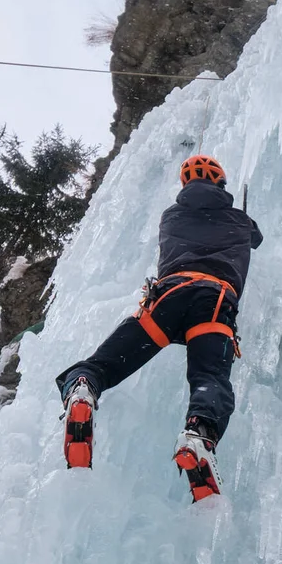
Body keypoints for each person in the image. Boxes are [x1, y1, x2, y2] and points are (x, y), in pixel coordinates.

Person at [56, 154, 263, 501]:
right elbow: (255, 239)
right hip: (212, 305)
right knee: (210, 379)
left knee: (103, 364)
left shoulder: (172, 216)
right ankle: (199, 434)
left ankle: (83, 389)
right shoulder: (239, 221)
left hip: (167, 299)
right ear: (221, 184)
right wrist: (240, 214)